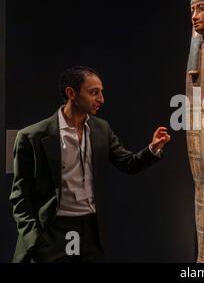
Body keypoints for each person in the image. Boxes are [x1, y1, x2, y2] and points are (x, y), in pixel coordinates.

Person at [9, 66, 171, 263]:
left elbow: (129, 164)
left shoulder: (101, 129)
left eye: (101, 92)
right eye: (94, 92)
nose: (101, 99)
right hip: (52, 231)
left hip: (90, 230)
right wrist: (35, 241)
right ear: (72, 93)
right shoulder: (32, 136)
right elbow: (20, 197)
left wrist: (153, 149)